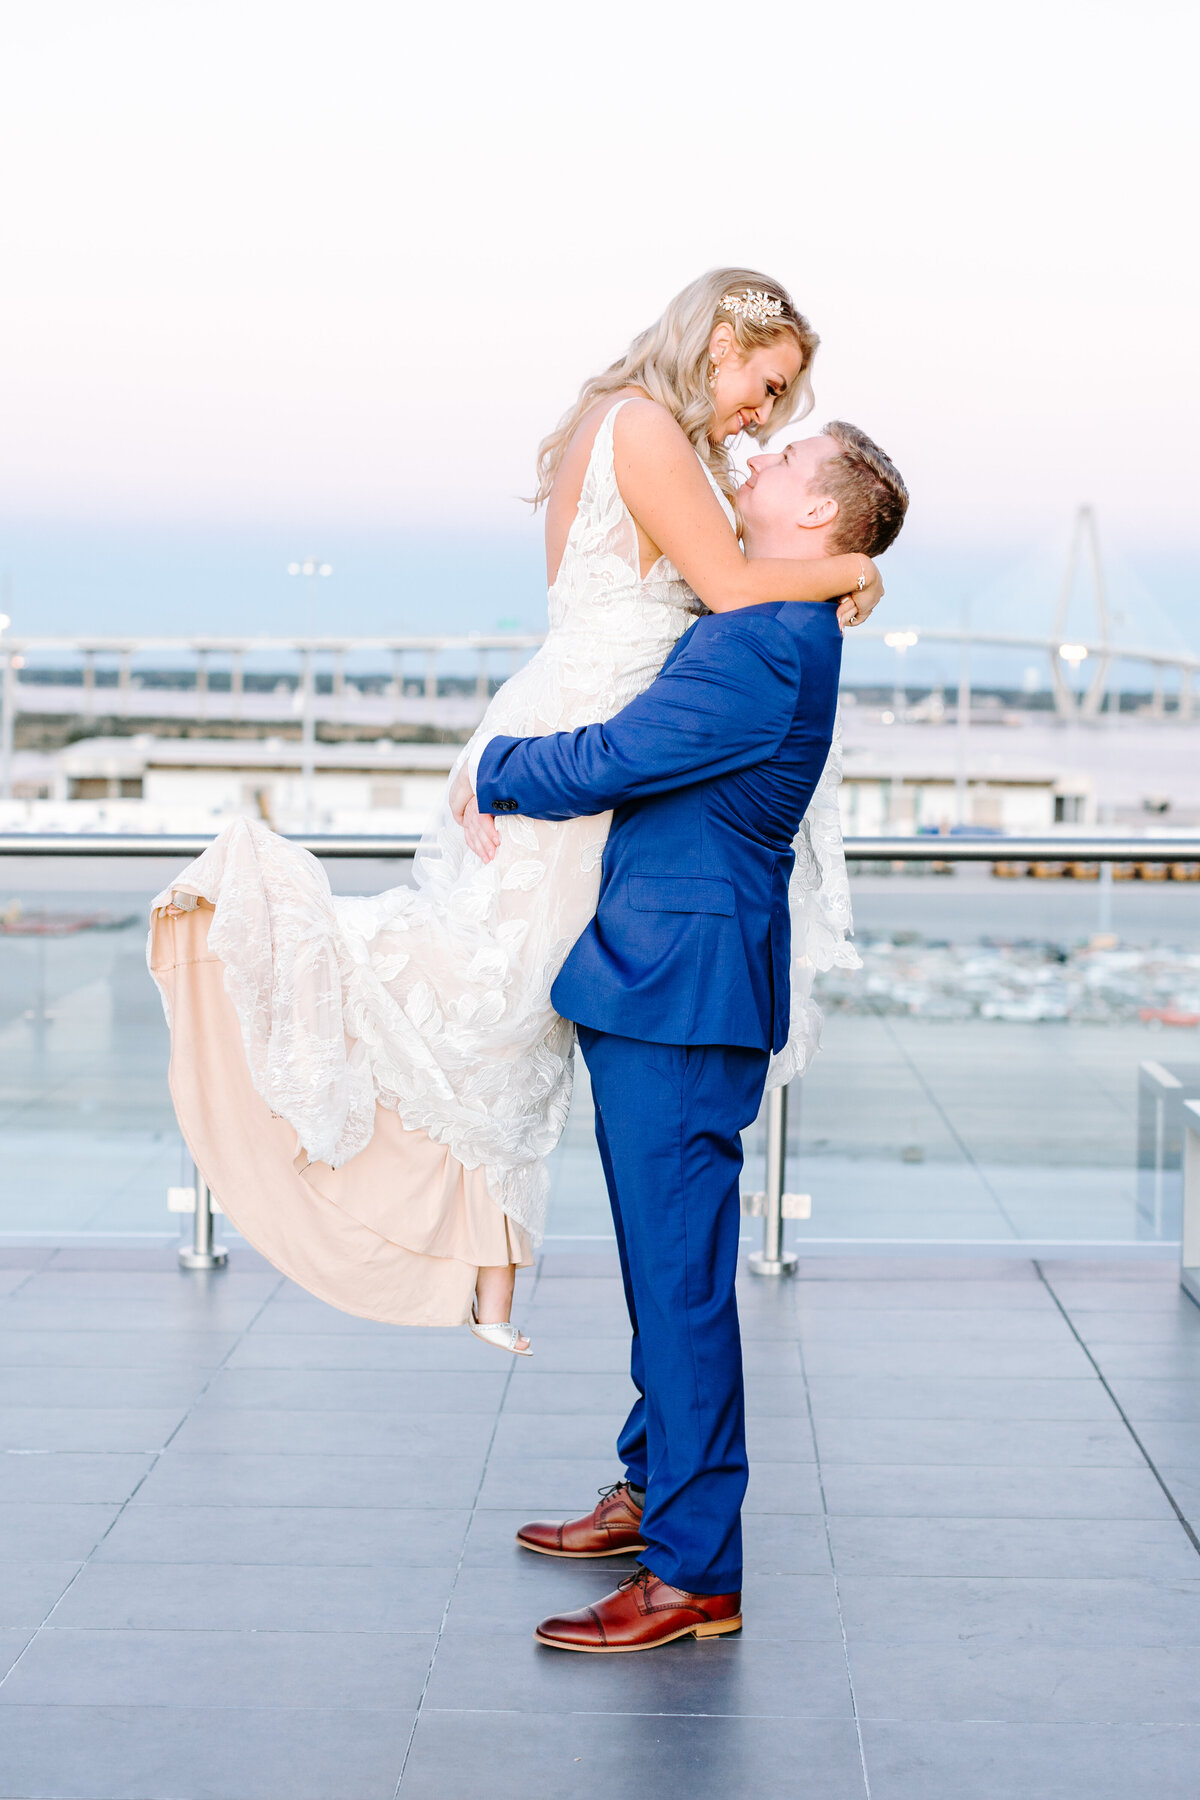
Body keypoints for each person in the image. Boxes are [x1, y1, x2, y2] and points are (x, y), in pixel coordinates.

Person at [148, 269, 882, 1349]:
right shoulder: (643, 430)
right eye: (765, 385)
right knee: (481, 980)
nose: (763, 415)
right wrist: (851, 563)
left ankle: (487, 1260)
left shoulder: (626, 425)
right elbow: (728, 587)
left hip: (576, 711)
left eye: (781, 405)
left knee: (516, 990)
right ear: (719, 341)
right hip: (588, 729)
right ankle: (259, 923)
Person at [452, 420, 909, 1652]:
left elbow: (618, 757)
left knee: (683, 1284)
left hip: (682, 991)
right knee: (669, 1272)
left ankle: (697, 1573)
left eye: (781, 460)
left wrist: (488, 762)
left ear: (817, 518)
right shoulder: (762, 616)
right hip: (664, 982)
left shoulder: (765, 637)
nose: (752, 463)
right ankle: (653, 1489)